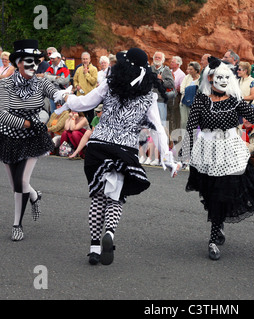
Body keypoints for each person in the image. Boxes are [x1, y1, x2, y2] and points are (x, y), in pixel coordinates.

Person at [56, 47, 180, 266]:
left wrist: (66, 96)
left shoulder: (109, 86)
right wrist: (167, 158)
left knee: (97, 197)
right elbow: (158, 129)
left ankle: (94, 248)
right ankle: (110, 234)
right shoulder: (148, 97)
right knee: (115, 197)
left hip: (99, 146)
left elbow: (83, 103)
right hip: (124, 150)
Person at [181, 56, 254, 261]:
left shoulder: (234, 101)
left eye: (225, 77)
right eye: (217, 77)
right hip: (206, 152)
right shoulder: (201, 100)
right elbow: (190, 127)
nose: (222, 81)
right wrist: (185, 155)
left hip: (230, 151)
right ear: (210, 78)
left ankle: (213, 239)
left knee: (222, 192)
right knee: (210, 193)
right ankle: (219, 221)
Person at [0, 39, 68, 241]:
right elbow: (2, 114)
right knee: (15, 184)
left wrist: (66, 97)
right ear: (18, 63)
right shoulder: (6, 83)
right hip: (9, 135)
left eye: (35, 62)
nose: (33, 66)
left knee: (21, 181)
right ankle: (34, 195)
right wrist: (28, 123)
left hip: (32, 138)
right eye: (28, 62)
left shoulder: (40, 82)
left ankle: (17, 224)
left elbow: (56, 93)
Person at [151, 51, 175, 128]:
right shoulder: (150, 69)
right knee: (150, 122)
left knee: (162, 123)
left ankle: (164, 139)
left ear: (163, 60)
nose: (157, 59)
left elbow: (171, 84)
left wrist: (162, 80)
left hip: (160, 100)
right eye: (156, 57)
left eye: (159, 57)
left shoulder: (166, 70)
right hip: (150, 100)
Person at [73, 52, 98, 123]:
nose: (85, 60)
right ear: (81, 60)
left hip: (90, 97)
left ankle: (91, 131)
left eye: (86, 59)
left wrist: (86, 73)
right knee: (81, 116)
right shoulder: (78, 69)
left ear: (90, 59)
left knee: (90, 116)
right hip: (80, 97)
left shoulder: (94, 69)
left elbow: (93, 82)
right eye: (83, 59)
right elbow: (75, 80)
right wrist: (76, 85)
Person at [179, 61, 201, 131]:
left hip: (194, 104)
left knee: (193, 122)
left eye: (191, 69)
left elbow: (200, 91)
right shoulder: (186, 77)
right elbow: (181, 89)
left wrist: (190, 92)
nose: (189, 71)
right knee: (183, 122)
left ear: (196, 70)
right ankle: (183, 139)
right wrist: (190, 93)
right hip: (184, 103)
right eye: (189, 69)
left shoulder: (200, 79)